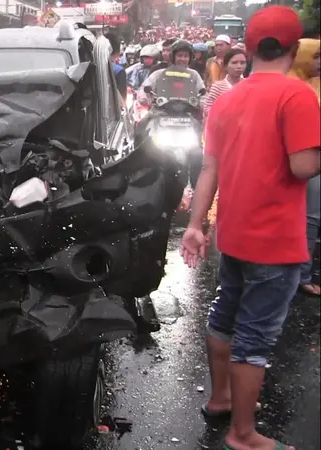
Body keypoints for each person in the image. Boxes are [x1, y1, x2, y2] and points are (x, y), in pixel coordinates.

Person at [180, 7, 320, 450]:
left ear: (252, 47)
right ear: (295, 49)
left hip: (233, 235)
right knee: (255, 335)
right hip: (275, 240)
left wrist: (194, 225)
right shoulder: (297, 97)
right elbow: (302, 167)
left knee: (224, 313)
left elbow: (208, 168)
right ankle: (243, 435)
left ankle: (222, 399)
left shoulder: (226, 97)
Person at [287, 37, 321, 296]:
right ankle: (302, 274)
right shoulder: (294, 89)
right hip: (306, 161)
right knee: (310, 218)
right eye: (316, 56)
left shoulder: (311, 85)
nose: (319, 62)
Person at [202, 48, 247, 120]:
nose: (239, 66)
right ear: (226, 65)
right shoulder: (217, 87)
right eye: (234, 63)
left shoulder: (249, 85)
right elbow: (207, 109)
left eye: (242, 63)